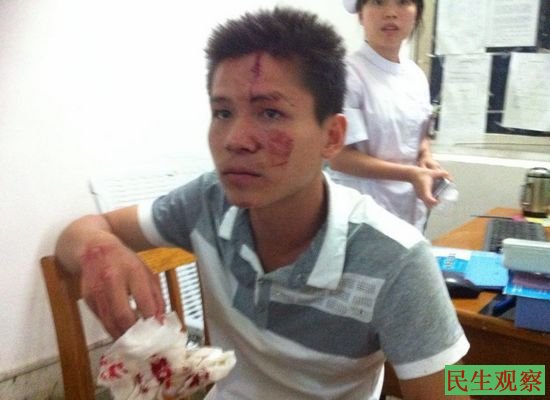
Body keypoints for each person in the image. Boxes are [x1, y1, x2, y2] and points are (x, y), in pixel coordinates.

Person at [55, 7, 469, 400]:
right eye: (222, 113)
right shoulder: (208, 202)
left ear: (331, 137)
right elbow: (80, 232)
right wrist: (101, 251)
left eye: (270, 113)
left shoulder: (396, 261)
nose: (235, 140)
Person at [329, 0, 450, 232]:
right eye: (378, 2)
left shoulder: (415, 75)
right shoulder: (347, 74)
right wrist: (411, 174)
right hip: (360, 214)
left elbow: (419, 133)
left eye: (403, 2)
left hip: (408, 210)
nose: (391, 13)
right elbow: (340, 157)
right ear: (361, 15)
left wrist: (425, 155)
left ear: (417, 14)